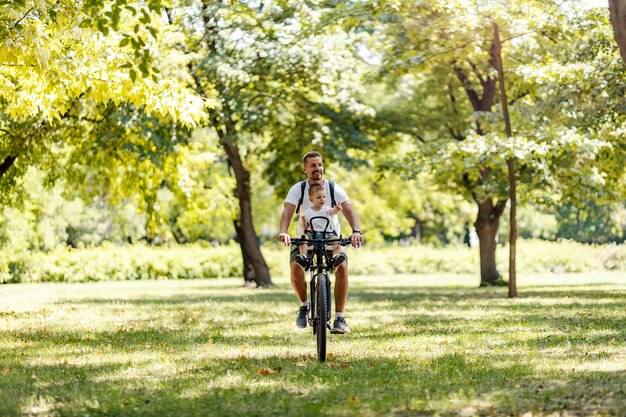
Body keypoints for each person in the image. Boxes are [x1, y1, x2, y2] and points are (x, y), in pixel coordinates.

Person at [278, 151, 364, 334]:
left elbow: (348, 210)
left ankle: (340, 318)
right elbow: (287, 211)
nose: (317, 168)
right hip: (306, 238)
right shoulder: (298, 189)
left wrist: (356, 230)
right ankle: (303, 306)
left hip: (331, 238)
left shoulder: (333, 188)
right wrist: (283, 232)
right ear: (305, 169)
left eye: (319, 164)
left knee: (341, 268)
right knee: (296, 267)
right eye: (313, 165)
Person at [294, 183, 346, 270]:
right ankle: (303, 256)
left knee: (336, 238)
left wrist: (338, 209)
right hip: (312, 234)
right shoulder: (308, 212)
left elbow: (333, 211)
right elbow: (305, 228)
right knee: (304, 237)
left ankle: (336, 257)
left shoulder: (327, 210)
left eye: (324, 197)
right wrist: (304, 222)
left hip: (326, 234)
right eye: (319, 197)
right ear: (311, 199)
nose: (322, 199)